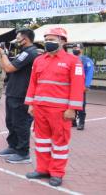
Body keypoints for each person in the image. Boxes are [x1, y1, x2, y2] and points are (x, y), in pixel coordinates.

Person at [25, 27, 85, 187]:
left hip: (60, 111)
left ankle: (57, 173)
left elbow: (78, 87)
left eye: (52, 39)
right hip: (40, 108)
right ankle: (42, 169)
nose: (48, 42)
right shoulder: (39, 60)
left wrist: (72, 108)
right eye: (46, 40)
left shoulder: (73, 61)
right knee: (42, 141)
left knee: (60, 142)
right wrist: (31, 103)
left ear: (63, 41)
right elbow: (33, 83)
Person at [0, 28, 39, 164]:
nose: (16, 41)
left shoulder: (30, 53)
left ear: (26, 39)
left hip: (22, 94)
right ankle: (13, 147)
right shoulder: (23, 52)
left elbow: (9, 68)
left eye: (18, 39)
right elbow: (5, 66)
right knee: (11, 122)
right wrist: (2, 55)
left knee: (21, 124)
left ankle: (23, 153)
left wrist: (3, 53)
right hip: (13, 92)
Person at [72, 43, 94, 130]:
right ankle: (72, 121)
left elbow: (89, 73)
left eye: (77, 48)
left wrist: (86, 85)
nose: (75, 49)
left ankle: (81, 123)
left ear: (82, 49)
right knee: (71, 104)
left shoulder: (86, 60)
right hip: (71, 86)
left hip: (81, 86)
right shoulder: (70, 59)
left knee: (81, 105)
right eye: (74, 48)